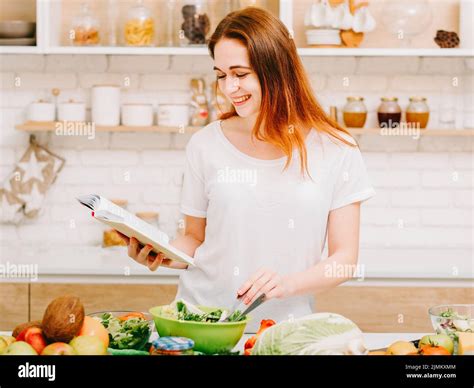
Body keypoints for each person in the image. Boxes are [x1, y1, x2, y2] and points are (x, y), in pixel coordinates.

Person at [118, 7, 375, 332]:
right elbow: (194, 239)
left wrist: (287, 284)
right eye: (221, 75)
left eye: (240, 74)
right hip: (199, 325)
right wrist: (161, 253)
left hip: (283, 331)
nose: (228, 88)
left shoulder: (336, 148)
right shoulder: (205, 144)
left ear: (277, 69)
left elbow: (345, 261)